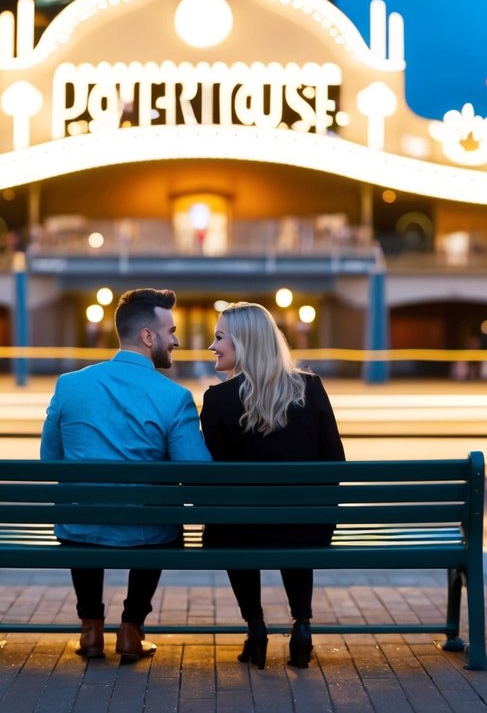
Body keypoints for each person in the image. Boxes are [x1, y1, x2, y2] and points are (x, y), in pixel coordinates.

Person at [40, 287, 211, 663]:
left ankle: (91, 628)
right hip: (147, 531)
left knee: (81, 512)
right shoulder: (174, 397)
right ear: (148, 337)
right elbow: (198, 475)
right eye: (171, 331)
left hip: (80, 528)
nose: (176, 340)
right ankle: (132, 627)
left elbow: (50, 459)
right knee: (157, 519)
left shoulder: (69, 385)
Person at [200, 302, 346, 670]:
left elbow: (208, 478)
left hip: (237, 533)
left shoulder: (217, 400)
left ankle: (256, 627)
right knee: (294, 519)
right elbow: (336, 462)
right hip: (306, 531)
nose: (212, 347)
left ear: (243, 342)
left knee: (231, 521)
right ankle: (302, 625)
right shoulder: (311, 389)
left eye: (219, 338)